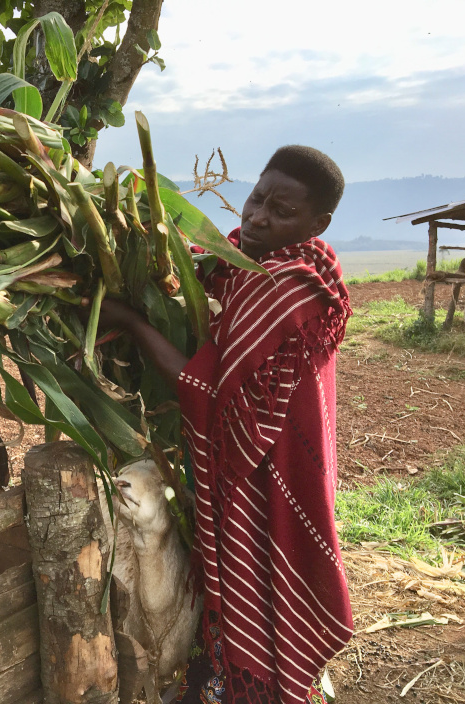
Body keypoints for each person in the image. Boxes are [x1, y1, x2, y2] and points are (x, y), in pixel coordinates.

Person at [99, 145, 354, 704]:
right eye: (257, 197)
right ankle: (232, 669)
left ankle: (252, 684)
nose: (258, 216)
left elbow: (211, 397)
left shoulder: (284, 285)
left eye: (281, 211)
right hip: (279, 459)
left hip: (267, 465)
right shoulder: (262, 260)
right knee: (253, 578)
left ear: (317, 223)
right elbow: (208, 273)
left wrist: (132, 323)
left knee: (261, 567)